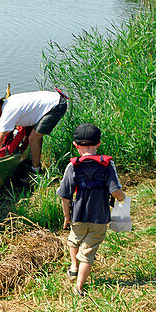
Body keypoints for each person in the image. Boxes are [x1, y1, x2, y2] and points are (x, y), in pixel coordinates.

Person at [57, 123, 125, 295]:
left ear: (76, 145)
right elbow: (115, 191)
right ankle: (79, 286)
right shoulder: (107, 165)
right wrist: (123, 199)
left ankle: (73, 266)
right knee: (88, 252)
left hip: (78, 216)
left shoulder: (72, 166)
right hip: (99, 218)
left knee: (74, 240)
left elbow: (65, 195)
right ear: (98, 144)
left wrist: (67, 216)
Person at [0, 88, 69, 172]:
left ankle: (36, 170)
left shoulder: (7, 112)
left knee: (33, 138)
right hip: (54, 99)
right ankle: (36, 162)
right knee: (36, 136)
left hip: (56, 106)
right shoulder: (9, 101)